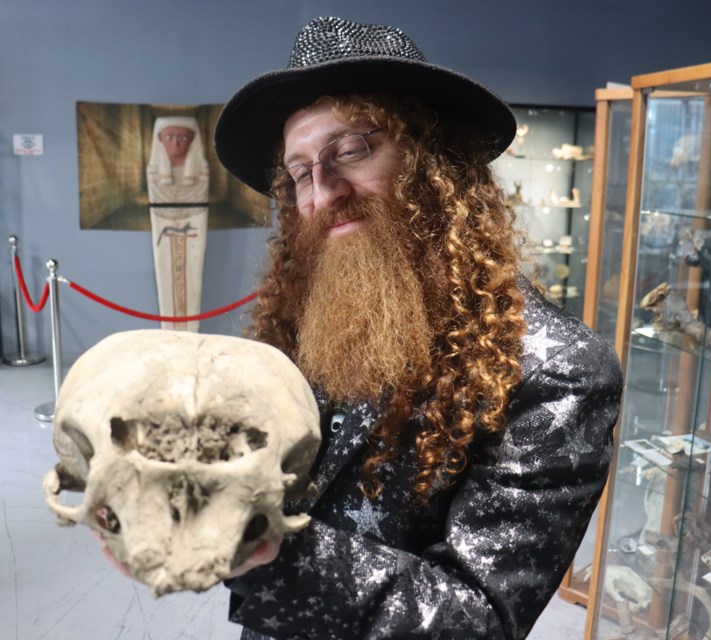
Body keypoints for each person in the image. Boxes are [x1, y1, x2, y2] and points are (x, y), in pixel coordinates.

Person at [208, 16, 623, 640]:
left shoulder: (553, 369)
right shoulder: (307, 320)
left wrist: (264, 547)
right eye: (298, 172)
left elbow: (478, 617)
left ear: (437, 162)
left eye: (349, 149)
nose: (321, 192)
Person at [146, 116, 210, 331]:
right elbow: (162, 205)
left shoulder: (199, 173)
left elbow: (196, 206)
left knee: (191, 286)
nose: (175, 143)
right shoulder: (156, 173)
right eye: (169, 137)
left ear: (192, 140)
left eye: (182, 137)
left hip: (193, 228)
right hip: (164, 228)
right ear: (159, 139)